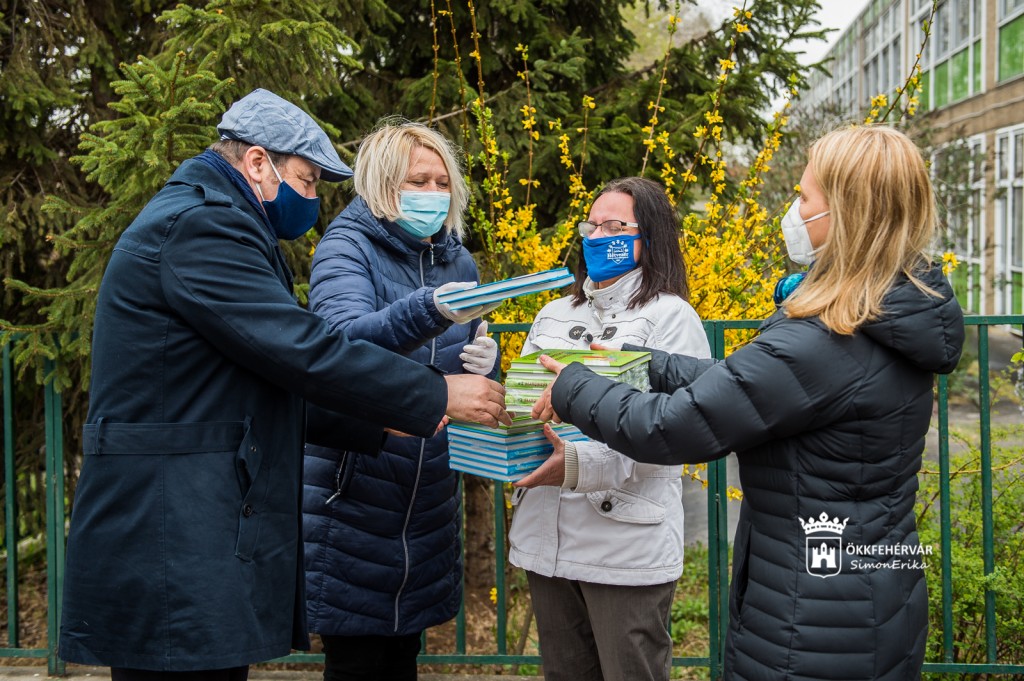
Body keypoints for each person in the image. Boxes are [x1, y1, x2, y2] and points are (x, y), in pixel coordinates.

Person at [58, 90, 509, 681]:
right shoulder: (203, 227)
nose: (313, 199)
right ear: (257, 163)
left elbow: (258, 382)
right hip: (171, 522)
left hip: (189, 518)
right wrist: (433, 394)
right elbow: (302, 350)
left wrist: (374, 420)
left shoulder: (219, 221)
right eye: (307, 179)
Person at [532, 125, 965, 680]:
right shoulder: (881, 315)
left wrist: (573, 386)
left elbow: (674, 427)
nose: (794, 211)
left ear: (845, 213)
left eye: (804, 197)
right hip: (865, 587)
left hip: (813, 617)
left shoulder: (824, 339)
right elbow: (746, 384)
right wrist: (646, 362)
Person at [302, 119, 500, 681]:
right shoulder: (346, 247)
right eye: (419, 181)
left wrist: (487, 362)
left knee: (402, 657)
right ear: (383, 183)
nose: (433, 194)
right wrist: (428, 309)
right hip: (354, 492)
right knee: (356, 660)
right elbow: (340, 348)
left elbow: (465, 369)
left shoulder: (457, 261)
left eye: (443, 183)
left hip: (427, 501)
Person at [508, 177, 710, 681]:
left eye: (615, 226)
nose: (598, 236)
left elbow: (670, 429)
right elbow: (525, 403)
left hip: (624, 547)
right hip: (546, 538)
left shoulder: (671, 316)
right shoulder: (554, 313)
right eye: (591, 226)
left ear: (650, 237)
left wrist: (580, 465)